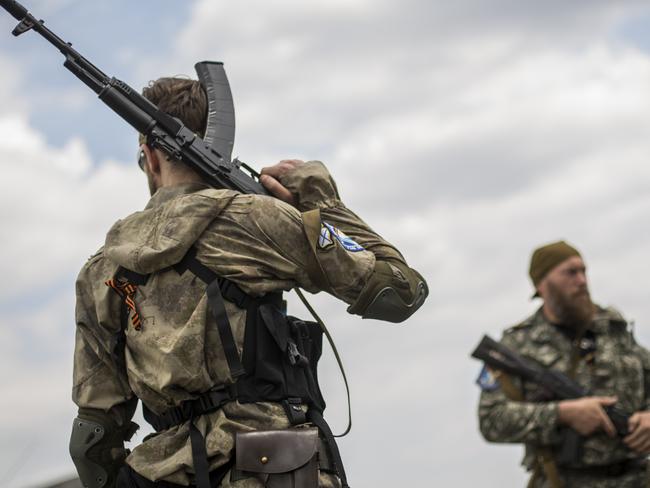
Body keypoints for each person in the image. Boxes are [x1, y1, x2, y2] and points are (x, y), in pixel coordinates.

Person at [69, 77, 428, 488]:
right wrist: (324, 204)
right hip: (272, 462)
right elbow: (401, 292)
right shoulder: (260, 220)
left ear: (150, 158)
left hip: (164, 474)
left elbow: (92, 437)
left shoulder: (102, 270)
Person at [478, 240, 650, 487]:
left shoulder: (615, 330)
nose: (581, 281)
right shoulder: (515, 346)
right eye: (570, 272)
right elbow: (491, 420)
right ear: (542, 284)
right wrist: (562, 414)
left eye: (583, 271)